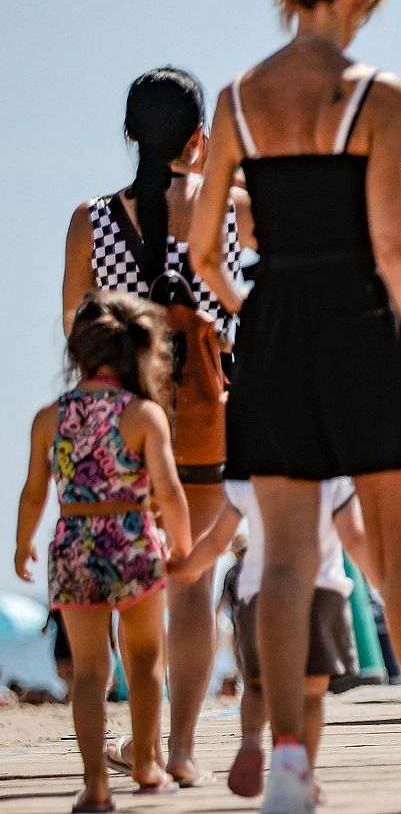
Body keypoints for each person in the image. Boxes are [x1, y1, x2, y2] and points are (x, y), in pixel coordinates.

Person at [189, 0, 401, 808]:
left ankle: (292, 764)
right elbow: (393, 247)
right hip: (365, 326)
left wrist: (263, 315)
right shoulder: (377, 93)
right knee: (400, 547)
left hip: (277, 326)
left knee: (284, 557)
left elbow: (208, 253)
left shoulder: (238, 98)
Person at [61, 67, 249, 787]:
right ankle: (181, 748)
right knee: (192, 585)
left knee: (117, 576)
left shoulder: (92, 219)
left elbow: (75, 323)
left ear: (131, 133)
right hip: (203, 404)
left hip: (117, 411)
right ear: (199, 139)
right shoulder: (227, 208)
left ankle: (129, 746)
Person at [13, 292, 197, 811]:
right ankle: (146, 765)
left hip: (72, 543)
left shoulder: (50, 416)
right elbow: (168, 490)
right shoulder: (142, 414)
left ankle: (94, 785)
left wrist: (23, 542)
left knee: (90, 672)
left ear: (79, 352)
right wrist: (182, 545)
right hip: (132, 540)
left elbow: (33, 491)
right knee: (144, 660)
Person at [179, 478, 368, 801]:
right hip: (321, 590)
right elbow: (355, 538)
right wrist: (386, 579)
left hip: (259, 592)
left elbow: (215, 542)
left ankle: (252, 739)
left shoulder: (249, 476)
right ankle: (301, 770)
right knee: (310, 695)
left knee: (256, 685)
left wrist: (187, 567)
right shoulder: (334, 475)